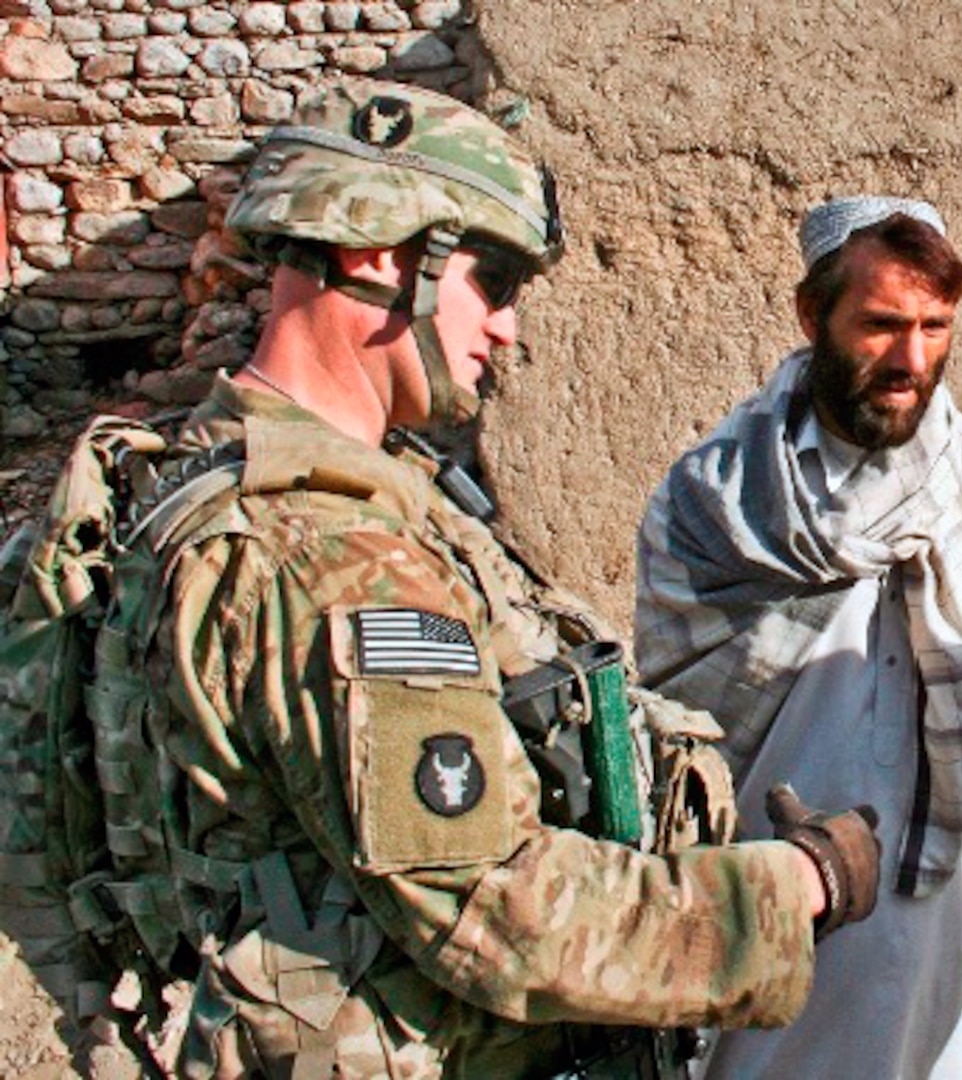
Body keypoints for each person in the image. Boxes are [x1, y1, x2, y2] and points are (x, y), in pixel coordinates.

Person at [122, 79, 880, 1077]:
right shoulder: (338, 561)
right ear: (380, 255)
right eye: (496, 282)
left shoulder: (185, 479)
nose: (507, 328)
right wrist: (800, 884)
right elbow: (503, 909)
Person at [635, 196, 962, 1078]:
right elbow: (675, 714)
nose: (913, 359)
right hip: (778, 868)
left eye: (935, 326)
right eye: (883, 325)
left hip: (937, 870)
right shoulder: (716, 497)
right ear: (813, 316)